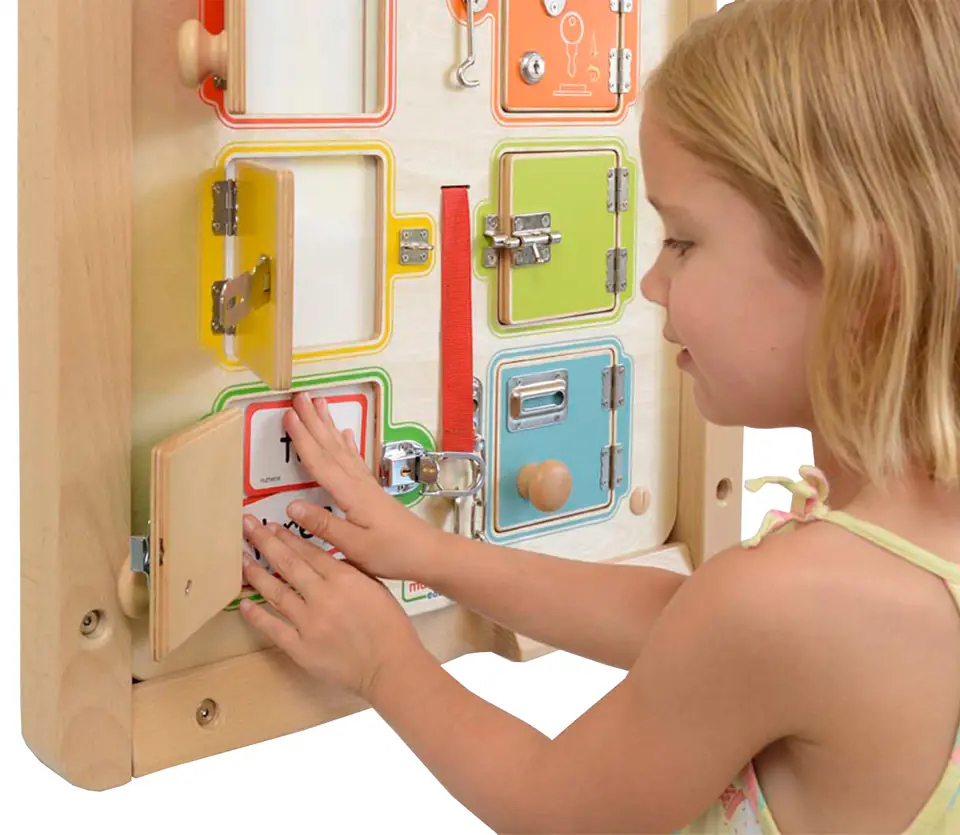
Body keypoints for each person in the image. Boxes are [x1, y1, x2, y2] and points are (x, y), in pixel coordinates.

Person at [236, 0, 960, 831]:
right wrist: (429, 554)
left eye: (682, 241)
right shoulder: (886, 562)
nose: (650, 282)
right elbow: (685, 625)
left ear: (866, 278)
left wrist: (382, 663)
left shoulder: (785, 601)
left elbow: (556, 805)